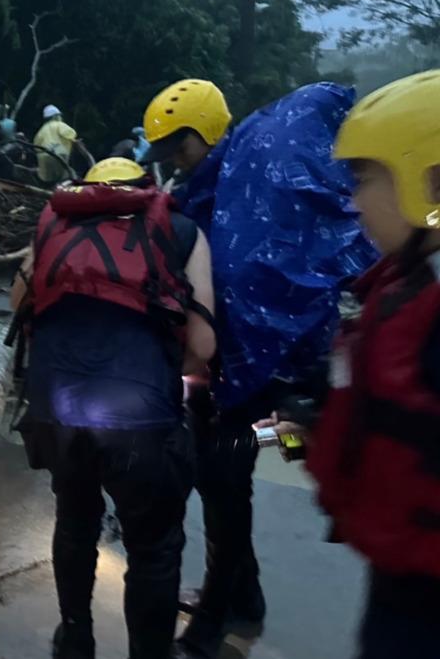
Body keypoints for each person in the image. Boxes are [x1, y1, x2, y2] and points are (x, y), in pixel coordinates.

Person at [141, 79, 379, 658]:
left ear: (210, 133)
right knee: (217, 481)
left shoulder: (259, 179)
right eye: (167, 150)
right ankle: (243, 597)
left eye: (182, 144)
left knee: (226, 488)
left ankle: (214, 624)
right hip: (225, 367)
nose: (174, 158)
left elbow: (264, 278)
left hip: (252, 369)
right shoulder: (210, 188)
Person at [11, 157, 216, 659]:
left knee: (76, 519)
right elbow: (204, 345)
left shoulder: (52, 224)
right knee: (154, 546)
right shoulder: (182, 231)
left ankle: (75, 636)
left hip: (58, 413)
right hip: (139, 420)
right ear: (146, 189)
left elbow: (20, 302)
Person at [280, 69, 440, 659]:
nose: (353, 198)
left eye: (366, 177)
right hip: (398, 564)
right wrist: (308, 414)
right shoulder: (402, 282)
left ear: (429, 181)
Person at [33, 104, 91, 185]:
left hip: (43, 158)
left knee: (50, 180)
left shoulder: (41, 130)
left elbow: (36, 145)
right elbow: (71, 133)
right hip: (59, 154)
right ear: (56, 116)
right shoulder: (58, 125)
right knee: (65, 177)